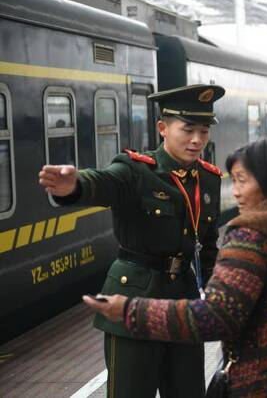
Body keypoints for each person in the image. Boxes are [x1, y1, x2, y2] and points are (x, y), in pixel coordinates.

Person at [83, 139, 267, 397]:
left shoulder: (251, 237)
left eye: (241, 180)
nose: (234, 192)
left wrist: (129, 310)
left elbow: (215, 318)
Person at [38, 84, 225, 397]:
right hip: (133, 297)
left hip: (184, 303)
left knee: (188, 391)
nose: (197, 140)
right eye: (188, 129)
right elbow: (102, 183)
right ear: (163, 128)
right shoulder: (135, 170)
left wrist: (216, 297)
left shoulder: (208, 179)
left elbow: (207, 245)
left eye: (204, 131)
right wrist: (73, 186)